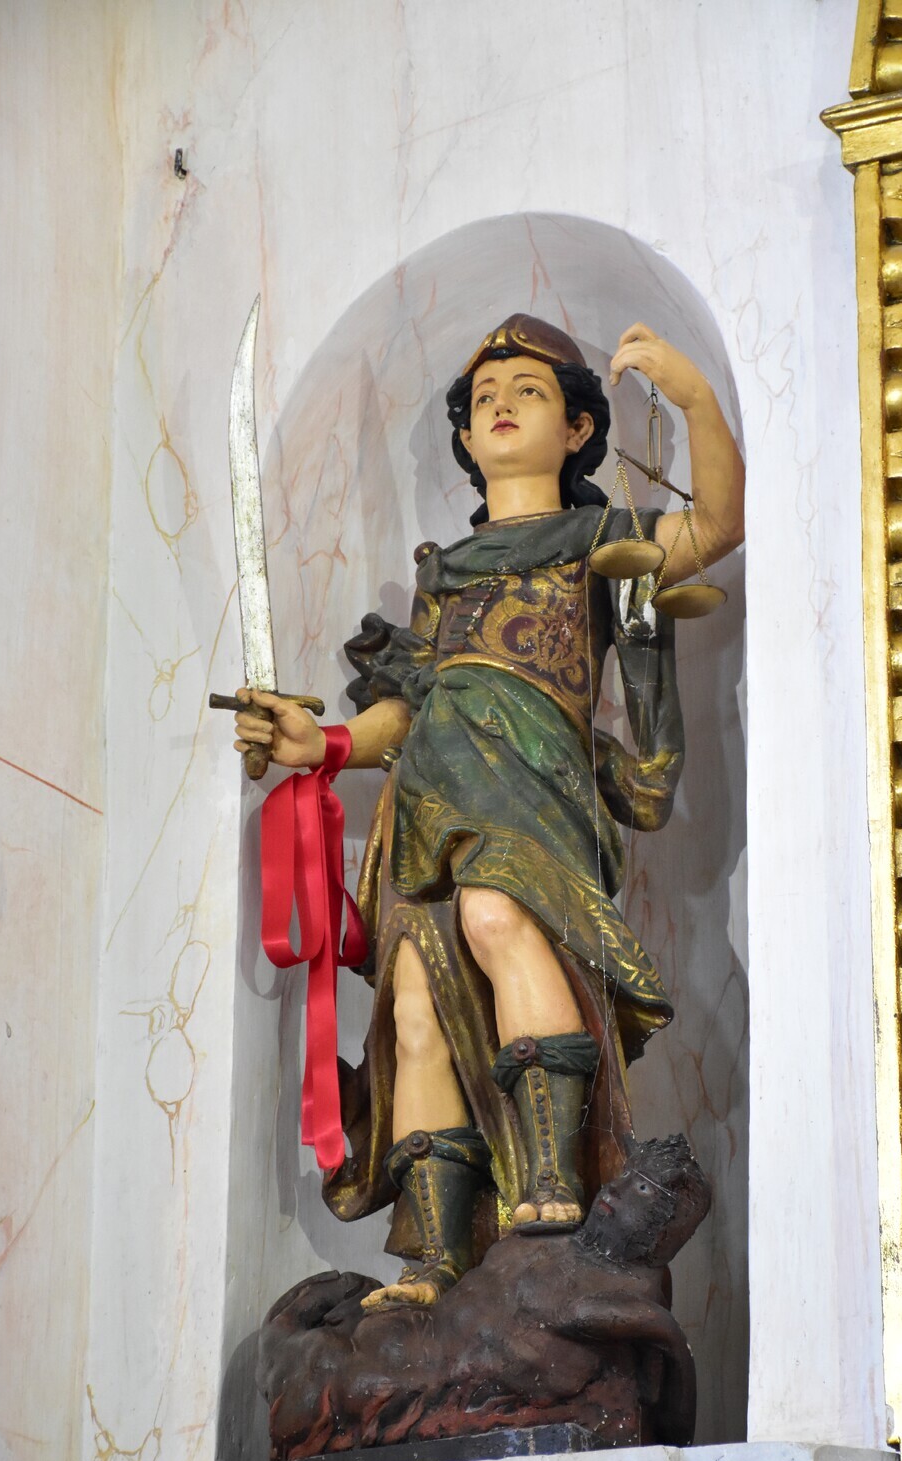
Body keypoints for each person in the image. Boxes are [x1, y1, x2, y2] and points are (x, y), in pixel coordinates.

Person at [234, 314, 744, 1312]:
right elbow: (413, 704)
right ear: (465, 438)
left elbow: (716, 526)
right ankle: (434, 1259)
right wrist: (321, 745)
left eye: (529, 391)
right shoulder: (442, 573)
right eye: (484, 399)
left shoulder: (602, 543)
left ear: (578, 429)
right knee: (415, 1001)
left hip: (535, 791)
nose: (501, 404)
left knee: (498, 918)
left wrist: (691, 399)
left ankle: (551, 1188)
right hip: (428, 803)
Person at [257, 1134, 714, 1457]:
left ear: (665, 1227)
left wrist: (669, 1336)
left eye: (640, 1189)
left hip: (406, 1381)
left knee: (310, 1374)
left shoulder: (631, 1303)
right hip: (407, 1339)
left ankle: (289, 1350)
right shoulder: (557, 1234)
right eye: (625, 1176)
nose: (614, 1189)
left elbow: (672, 1427)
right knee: (321, 1334)